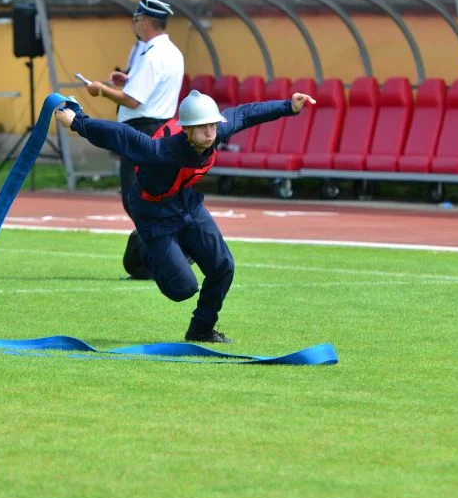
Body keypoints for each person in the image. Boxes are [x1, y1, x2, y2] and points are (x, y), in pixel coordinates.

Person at [54, 89, 317, 344]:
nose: (210, 132)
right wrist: (78, 121)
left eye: (213, 126)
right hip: (153, 213)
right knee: (182, 289)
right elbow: (120, 135)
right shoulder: (160, 150)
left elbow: (244, 114)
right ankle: (143, 249)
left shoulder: (214, 133)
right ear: (187, 129)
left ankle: (201, 330)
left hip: (187, 204)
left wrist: (288, 106)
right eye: (202, 127)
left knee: (223, 266)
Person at [83, 0, 185, 258]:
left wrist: (101, 90)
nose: (134, 23)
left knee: (134, 197)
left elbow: (133, 100)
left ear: (146, 22)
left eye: (136, 18)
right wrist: (129, 79)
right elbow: (147, 89)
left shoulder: (152, 55)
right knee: (148, 195)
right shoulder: (170, 52)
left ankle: (172, 251)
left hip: (143, 130)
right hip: (159, 128)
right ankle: (165, 253)